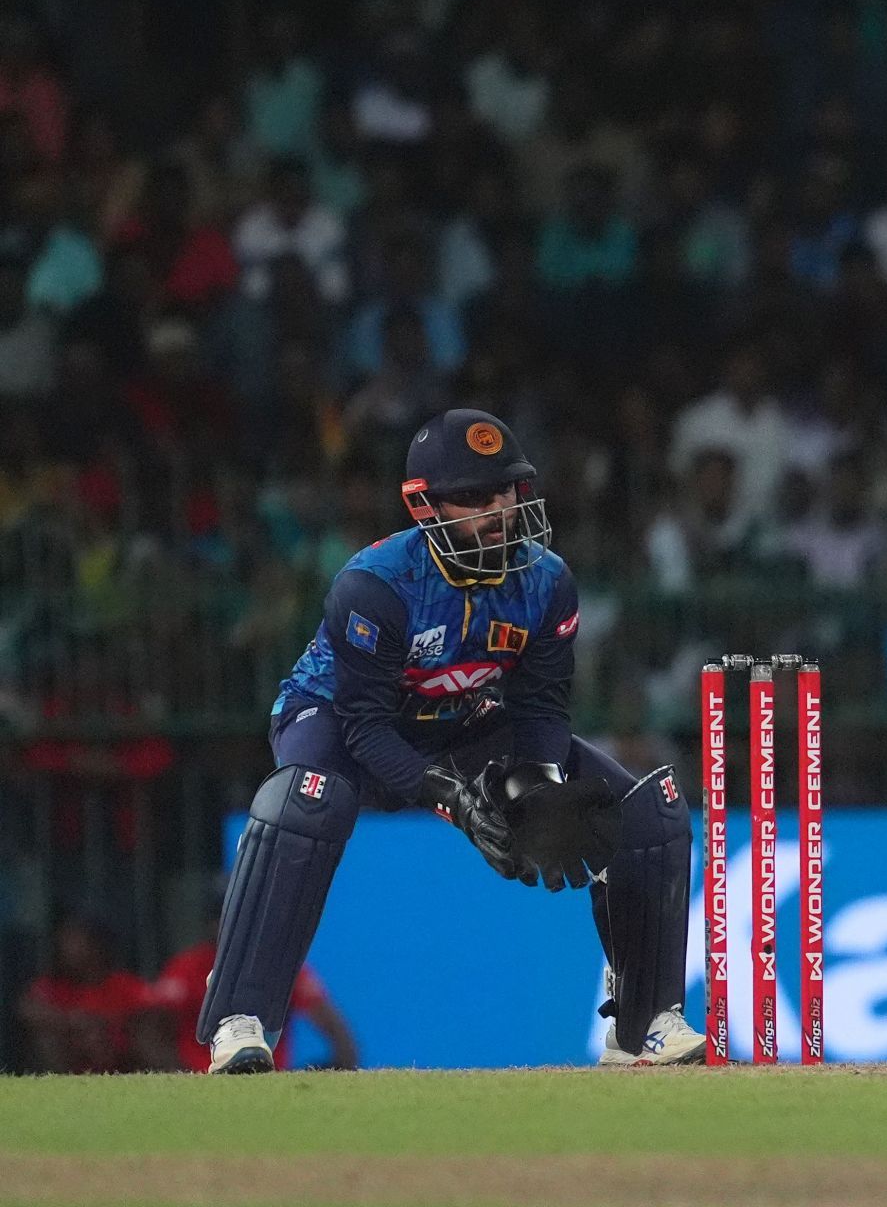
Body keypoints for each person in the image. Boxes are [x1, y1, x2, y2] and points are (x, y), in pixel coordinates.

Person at [197, 408, 699, 1072]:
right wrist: (452, 799)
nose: (496, 511)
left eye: (505, 492)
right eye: (472, 498)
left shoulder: (547, 582)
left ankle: (645, 1027)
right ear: (424, 507)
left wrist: (540, 782)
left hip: (464, 722)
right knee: (306, 804)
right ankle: (241, 1016)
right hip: (338, 722)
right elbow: (366, 726)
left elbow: (542, 705)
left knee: (647, 811)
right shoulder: (374, 587)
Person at [152, 883, 359, 1071]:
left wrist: (335, 1070)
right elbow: (153, 1033)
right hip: (202, 1079)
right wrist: (183, 1078)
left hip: (269, 1081)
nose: (241, 929)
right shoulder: (187, 968)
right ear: (213, 923)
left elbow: (333, 1026)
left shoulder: (280, 965)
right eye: (231, 921)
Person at [16, 917, 167, 1073]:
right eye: (64, 941)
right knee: (47, 1039)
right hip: (72, 1061)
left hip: (123, 1061)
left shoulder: (122, 984)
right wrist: (75, 1022)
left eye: (75, 941)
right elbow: (28, 1010)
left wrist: (111, 1027)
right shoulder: (53, 986)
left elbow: (155, 1012)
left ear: (96, 945)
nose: (67, 949)